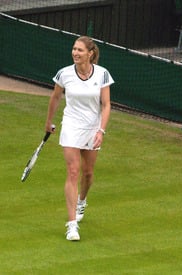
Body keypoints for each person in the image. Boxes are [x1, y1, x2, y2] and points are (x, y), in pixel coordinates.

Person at [45, 36, 114, 240]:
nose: (75, 53)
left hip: (93, 128)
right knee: (73, 172)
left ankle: (82, 201)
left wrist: (101, 131)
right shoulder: (64, 74)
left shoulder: (102, 74)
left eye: (80, 50)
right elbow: (55, 97)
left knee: (88, 173)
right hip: (71, 126)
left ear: (90, 53)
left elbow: (106, 105)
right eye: (74, 49)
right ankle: (72, 224)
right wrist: (48, 122)